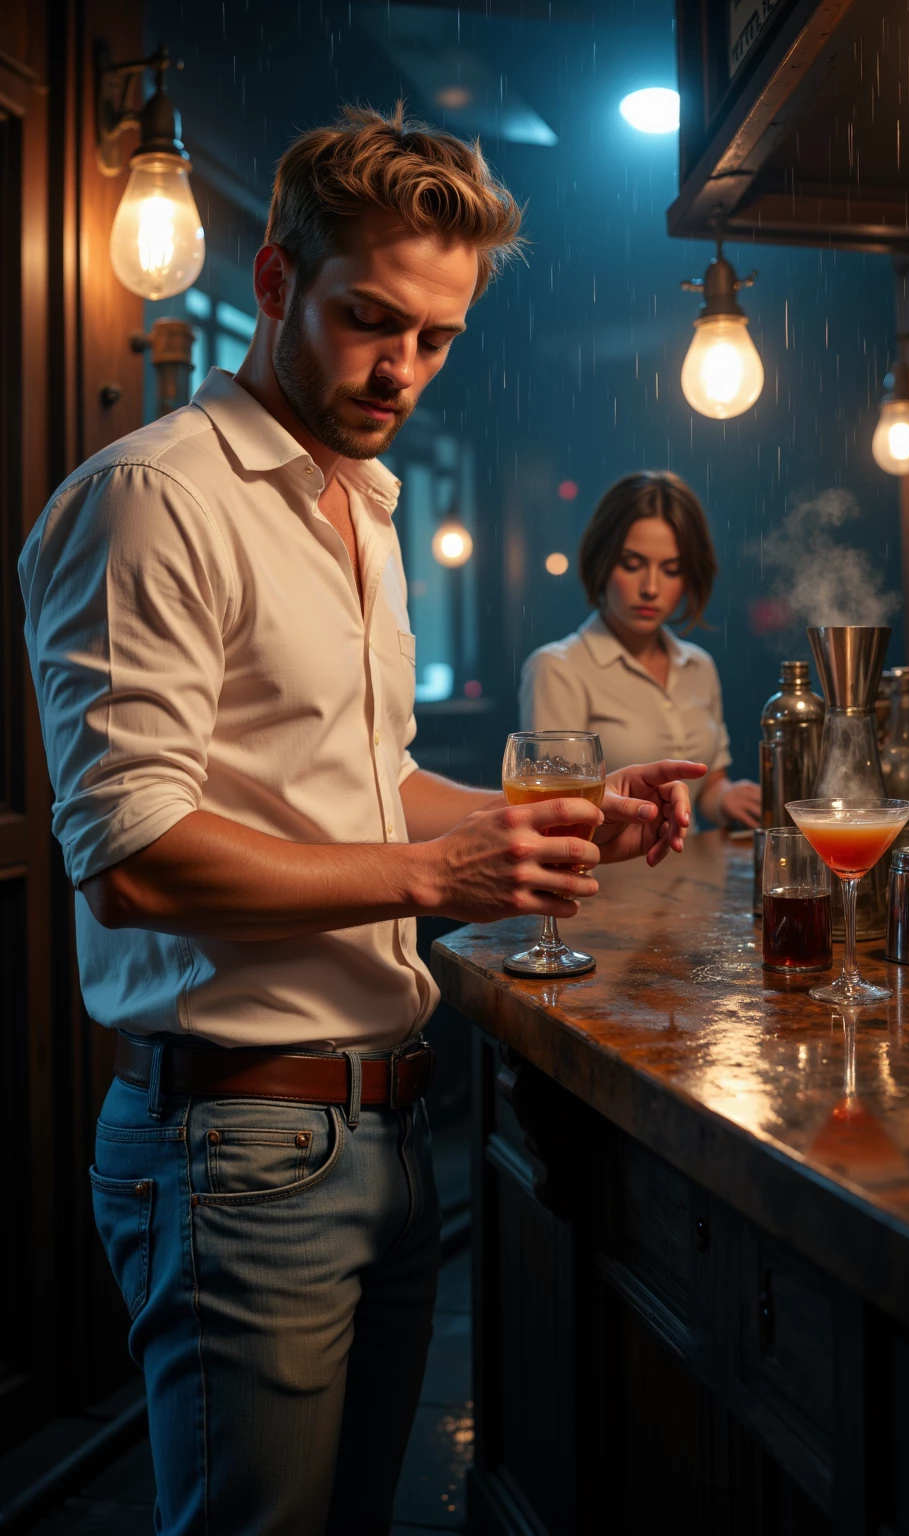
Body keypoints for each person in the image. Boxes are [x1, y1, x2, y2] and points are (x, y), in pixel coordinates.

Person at [19, 106, 705, 1536]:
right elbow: (130, 860)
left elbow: (370, 784)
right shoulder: (155, 499)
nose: (404, 370)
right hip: (239, 1144)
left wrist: (575, 809)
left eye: (437, 338)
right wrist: (432, 870)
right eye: (370, 321)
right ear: (274, 284)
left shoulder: (357, 503)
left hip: (388, 1130)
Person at [520, 469, 761, 828]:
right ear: (602, 562)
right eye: (632, 564)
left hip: (691, 874)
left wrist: (726, 797)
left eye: (671, 569)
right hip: (603, 877)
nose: (650, 587)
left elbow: (707, 788)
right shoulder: (558, 668)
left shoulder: (699, 666)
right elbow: (555, 810)